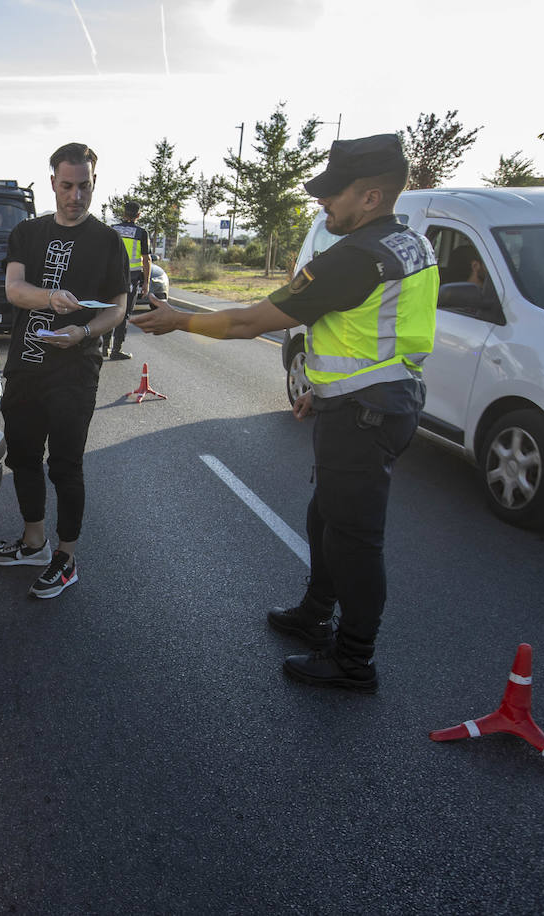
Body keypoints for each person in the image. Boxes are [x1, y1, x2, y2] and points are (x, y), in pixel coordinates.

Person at [133, 134, 437, 692]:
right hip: (371, 399)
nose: (323, 204)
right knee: (326, 517)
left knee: (354, 538)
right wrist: (321, 390)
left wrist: (180, 320)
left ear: (371, 196)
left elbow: (253, 321)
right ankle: (315, 612)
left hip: (366, 413)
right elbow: (374, 334)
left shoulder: (354, 258)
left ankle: (353, 659)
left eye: (332, 194)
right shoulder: (409, 244)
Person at [0, 142, 129, 599]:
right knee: (24, 457)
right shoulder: (27, 233)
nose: (76, 195)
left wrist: (84, 333)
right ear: (52, 182)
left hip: (76, 369)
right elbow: (13, 289)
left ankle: (66, 557)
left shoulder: (108, 241)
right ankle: (34, 542)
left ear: (94, 183)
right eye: (67, 186)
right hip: (26, 366)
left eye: (84, 186)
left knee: (65, 465)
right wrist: (51, 299)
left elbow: (119, 308)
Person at [105, 201, 151, 360]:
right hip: (130, 278)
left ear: (123, 214)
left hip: (111, 276)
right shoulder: (141, 233)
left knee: (109, 309)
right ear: (138, 215)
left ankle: (105, 347)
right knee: (123, 313)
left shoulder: (113, 229)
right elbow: (146, 259)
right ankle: (116, 350)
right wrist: (146, 282)